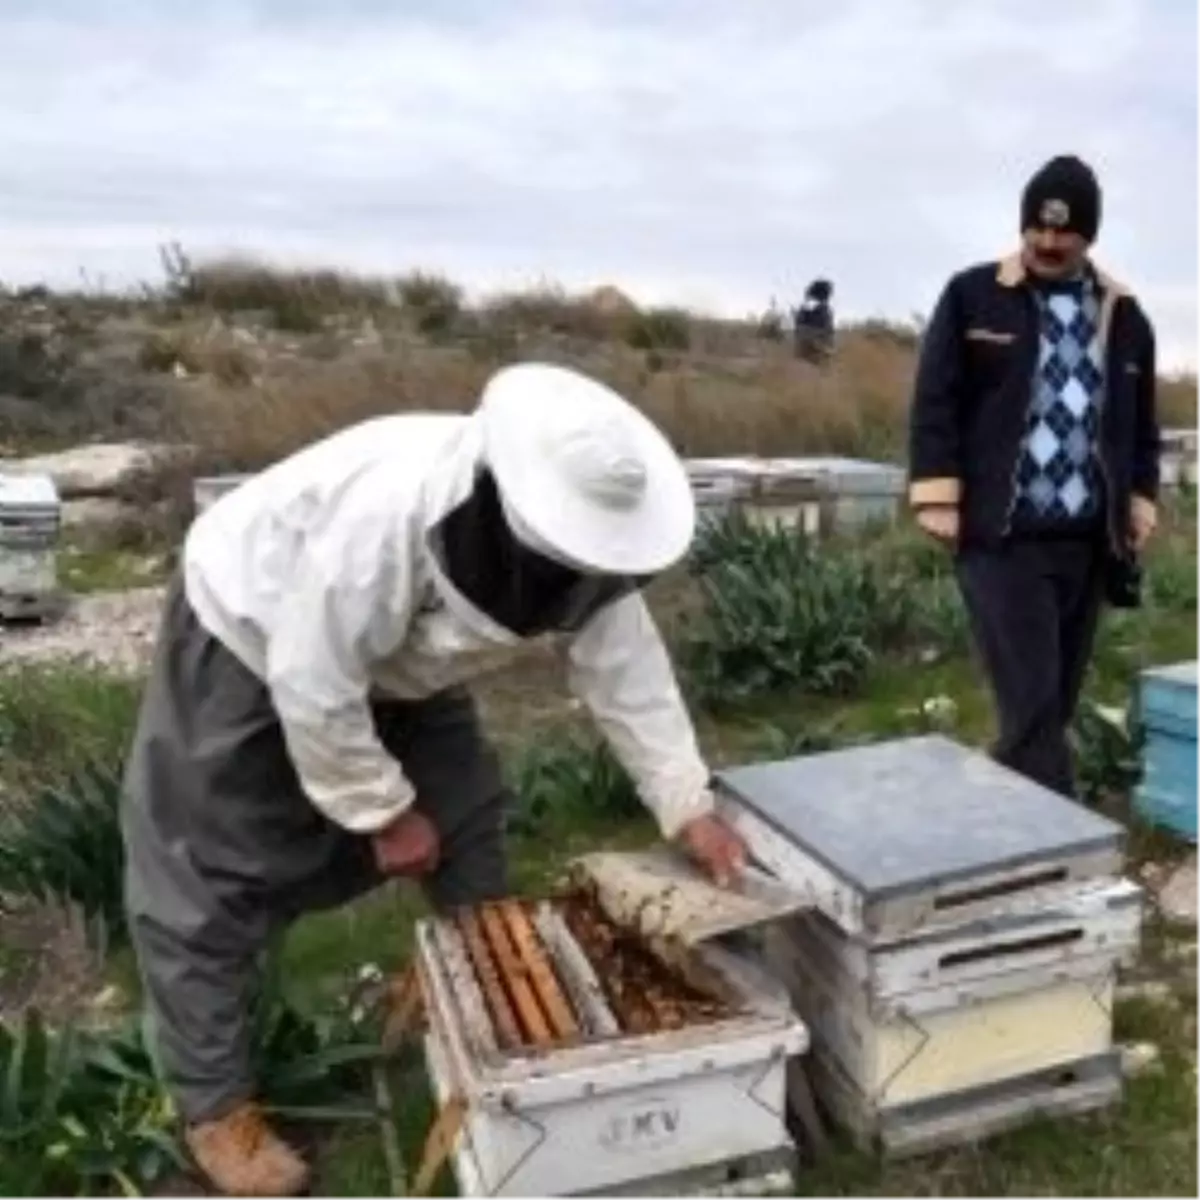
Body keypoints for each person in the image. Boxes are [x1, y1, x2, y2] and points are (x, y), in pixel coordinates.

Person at [120, 362, 750, 1196]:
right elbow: (311, 677)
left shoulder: (582, 551)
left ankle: (487, 986)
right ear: (517, 511)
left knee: (465, 816)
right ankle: (217, 1109)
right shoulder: (388, 517)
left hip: (397, 665)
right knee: (205, 871)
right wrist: (383, 813)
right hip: (253, 628)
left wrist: (687, 805)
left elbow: (626, 667)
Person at [907, 154, 1160, 797]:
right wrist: (937, 493)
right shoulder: (972, 295)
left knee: (1052, 705)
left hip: (1086, 539)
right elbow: (936, 398)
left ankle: (1000, 825)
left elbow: (1141, 422)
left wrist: (1140, 496)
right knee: (1032, 707)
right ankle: (1065, 855)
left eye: (1063, 232)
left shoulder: (1124, 317)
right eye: (1036, 229)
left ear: (1089, 235)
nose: (1047, 242)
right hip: (1003, 536)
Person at [793, 278, 835, 364]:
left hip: (813, 354)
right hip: (812, 354)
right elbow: (803, 331)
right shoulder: (814, 309)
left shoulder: (808, 309)